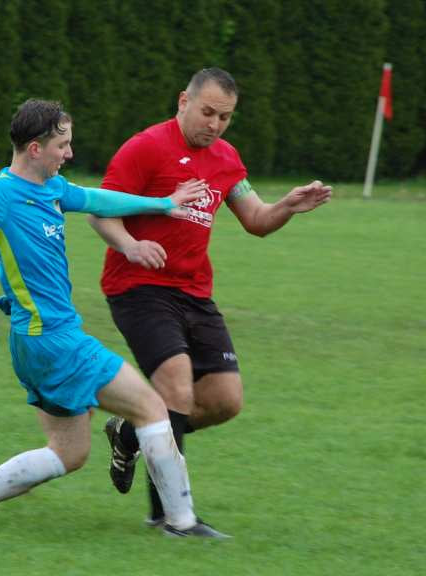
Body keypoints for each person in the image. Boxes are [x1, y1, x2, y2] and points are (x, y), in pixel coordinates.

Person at [0, 99, 227, 538]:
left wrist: (162, 204)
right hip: (53, 340)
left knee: (69, 453)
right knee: (151, 408)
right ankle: (181, 523)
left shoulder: (53, 188)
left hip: (34, 342)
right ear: (35, 149)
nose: (68, 154)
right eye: (62, 145)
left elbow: (97, 199)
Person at [88, 68, 332, 531]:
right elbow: (100, 211)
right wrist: (129, 245)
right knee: (176, 384)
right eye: (208, 112)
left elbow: (256, 219)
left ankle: (133, 431)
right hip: (139, 286)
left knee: (224, 400)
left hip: (195, 292)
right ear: (183, 101)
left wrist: (288, 206)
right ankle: (170, 518)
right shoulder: (145, 147)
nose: (215, 124)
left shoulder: (226, 158)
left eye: (225, 117)